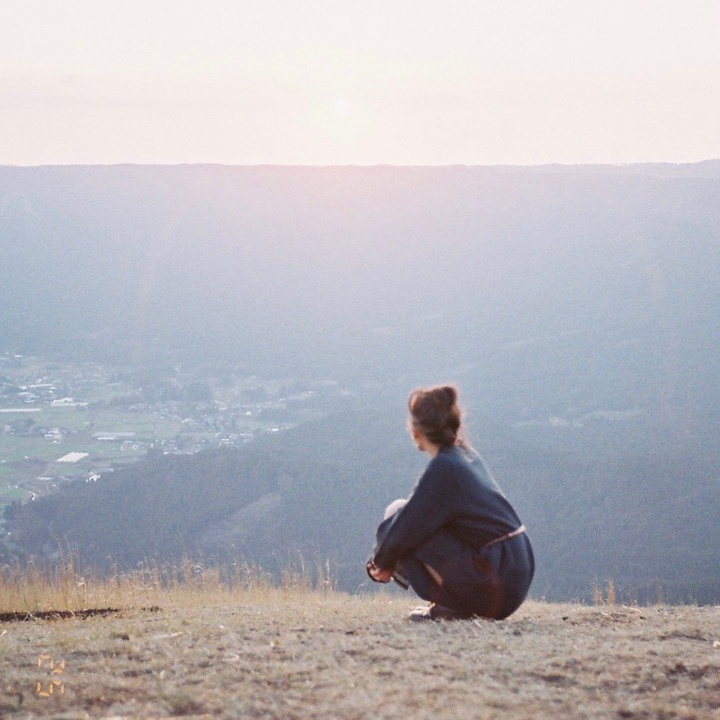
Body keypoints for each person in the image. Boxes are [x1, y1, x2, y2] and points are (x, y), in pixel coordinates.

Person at [366, 385, 534, 621]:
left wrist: (380, 563)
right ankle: (453, 605)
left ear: (415, 432)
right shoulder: (465, 454)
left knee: (397, 521)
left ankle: (453, 607)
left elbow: (406, 525)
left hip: (496, 580)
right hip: (513, 572)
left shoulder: (444, 467)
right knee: (401, 516)